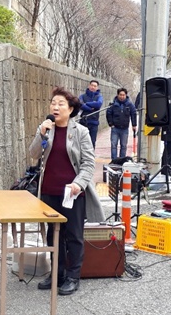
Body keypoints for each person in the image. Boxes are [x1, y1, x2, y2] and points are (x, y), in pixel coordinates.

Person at [29, 86, 105, 296]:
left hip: (72, 193)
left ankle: (73, 276)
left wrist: (78, 184)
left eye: (61, 104)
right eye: (53, 103)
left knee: (73, 235)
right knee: (54, 236)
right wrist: (41, 133)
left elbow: (89, 164)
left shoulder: (80, 132)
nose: (55, 107)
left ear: (71, 109)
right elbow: (34, 154)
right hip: (49, 191)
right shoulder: (46, 128)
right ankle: (57, 273)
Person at [106, 87, 137, 160]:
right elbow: (108, 114)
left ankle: (122, 160)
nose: (122, 96)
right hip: (115, 128)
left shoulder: (129, 104)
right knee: (114, 145)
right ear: (117, 95)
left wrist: (134, 125)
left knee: (123, 146)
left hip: (125, 129)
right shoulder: (113, 104)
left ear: (126, 95)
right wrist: (111, 124)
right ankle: (114, 160)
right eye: (120, 95)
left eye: (123, 95)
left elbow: (133, 114)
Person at [78, 80, 103, 148]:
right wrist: (90, 108)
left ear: (97, 87)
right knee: (81, 142)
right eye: (91, 85)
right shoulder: (82, 96)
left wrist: (87, 103)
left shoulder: (99, 97)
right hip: (83, 122)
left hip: (94, 123)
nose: (93, 87)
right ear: (89, 86)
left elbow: (98, 104)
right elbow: (80, 104)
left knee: (92, 142)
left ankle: (91, 157)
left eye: (95, 86)